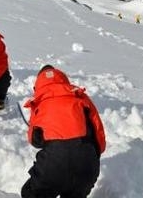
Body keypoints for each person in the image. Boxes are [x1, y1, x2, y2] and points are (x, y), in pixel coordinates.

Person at [21, 65, 106, 198]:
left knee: (30, 192)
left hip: (52, 168)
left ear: (38, 84)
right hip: (87, 168)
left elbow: (35, 140)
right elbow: (98, 132)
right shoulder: (80, 97)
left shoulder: (40, 102)